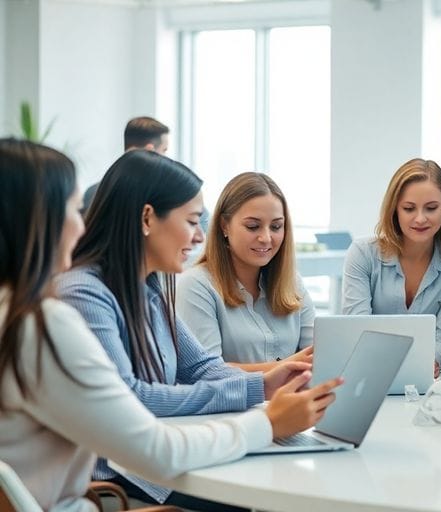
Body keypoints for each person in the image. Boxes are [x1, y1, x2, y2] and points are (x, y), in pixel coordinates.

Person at [0, 138, 339, 511]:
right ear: (147, 218)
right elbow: (144, 424)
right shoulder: (57, 312)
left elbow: (196, 366)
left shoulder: (144, 287)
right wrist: (267, 424)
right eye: (73, 210)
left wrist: (262, 384)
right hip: (116, 478)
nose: (81, 226)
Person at [343, 158, 441, 377]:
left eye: (431, 208)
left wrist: (430, 363)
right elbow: (358, 328)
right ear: (395, 208)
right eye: (409, 208)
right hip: (366, 374)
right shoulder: (362, 253)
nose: (420, 219)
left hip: (423, 378)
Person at [176, 172, 315, 371]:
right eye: (253, 226)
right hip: (237, 403)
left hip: (294, 399)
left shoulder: (292, 283)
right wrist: (288, 367)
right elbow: (206, 372)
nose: (266, 237)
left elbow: (318, 355)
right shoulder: (196, 285)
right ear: (224, 225)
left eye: (276, 226)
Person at [81, 116, 169, 212]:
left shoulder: (93, 192)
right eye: (164, 150)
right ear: (150, 151)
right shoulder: (157, 197)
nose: (166, 158)